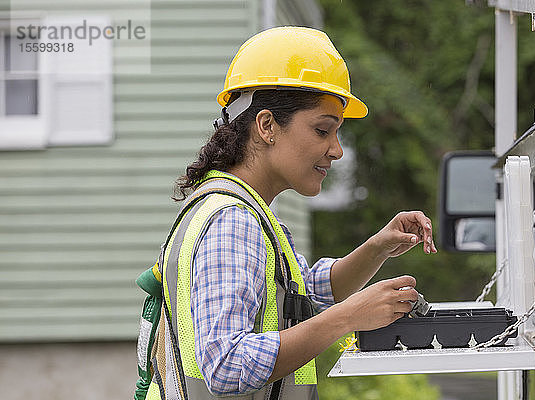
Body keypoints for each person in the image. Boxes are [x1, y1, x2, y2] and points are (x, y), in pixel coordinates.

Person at [143, 26, 437, 400]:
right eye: (322, 130)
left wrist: (378, 247)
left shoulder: (249, 212)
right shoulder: (232, 220)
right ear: (267, 126)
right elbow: (226, 364)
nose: (336, 150)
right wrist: (348, 317)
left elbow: (307, 294)